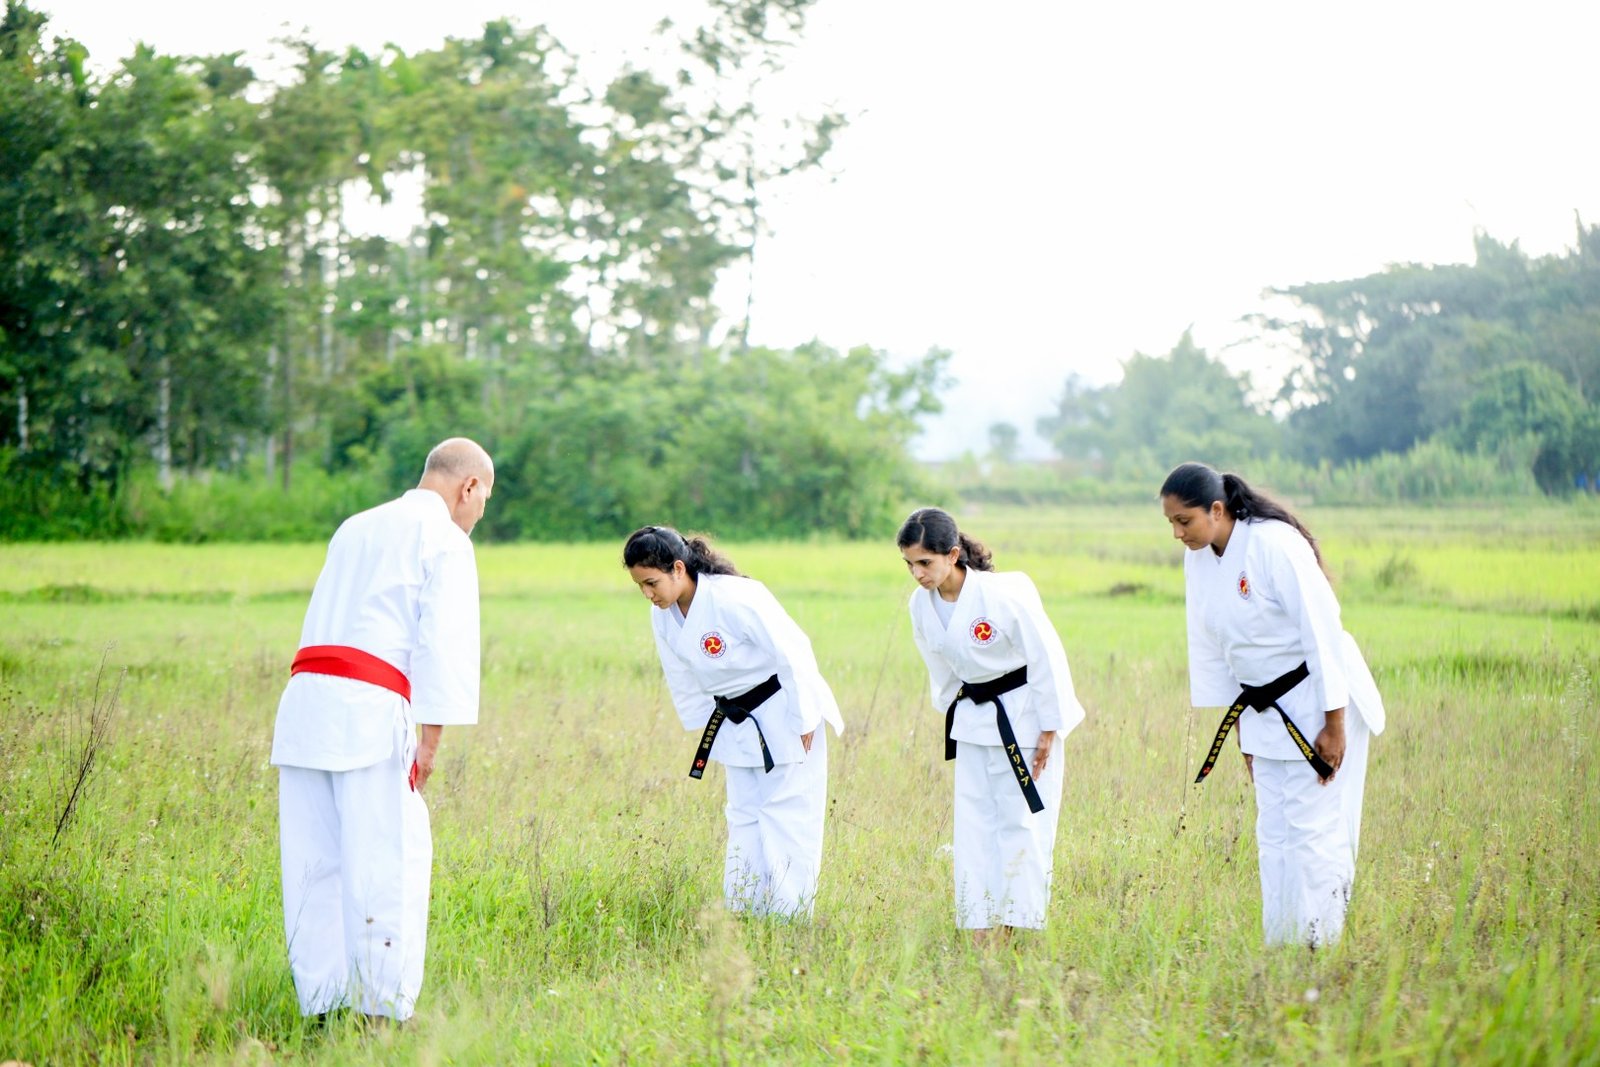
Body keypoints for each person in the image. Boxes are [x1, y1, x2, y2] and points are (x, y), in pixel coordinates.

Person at [270, 437, 493, 1023]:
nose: (478, 515)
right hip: (367, 709)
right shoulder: (444, 538)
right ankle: (379, 1015)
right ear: (468, 487)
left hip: (304, 704)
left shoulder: (355, 526)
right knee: (387, 862)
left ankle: (320, 1008)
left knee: (313, 865)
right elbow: (442, 645)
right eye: (483, 500)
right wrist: (431, 742)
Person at [1160, 461, 1386, 948]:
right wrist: (1240, 729)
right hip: (1262, 708)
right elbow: (1211, 646)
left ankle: (1319, 945)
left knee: (1312, 829)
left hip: (1318, 699)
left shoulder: (1273, 544)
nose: (1178, 534)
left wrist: (1335, 722)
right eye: (1171, 524)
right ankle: (1281, 946)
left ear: (1217, 510)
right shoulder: (1198, 560)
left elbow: (1321, 629)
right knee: (1274, 833)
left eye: (1185, 521)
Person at [624, 526, 844, 918]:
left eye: (652, 583)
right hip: (735, 722)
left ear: (678, 568)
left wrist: (806, 717)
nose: (648, 594)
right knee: (743, 817)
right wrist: (702, 725)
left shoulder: (736, 597)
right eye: (640, 586)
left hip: (785, 713)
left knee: (786, 818)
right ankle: (744, 912)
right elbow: (680, 674)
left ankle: (789, 919)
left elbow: (794, 651)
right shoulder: (663, 615)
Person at [897, 507, 1085, 938]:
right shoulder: (920, 605)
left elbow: (1047, 655)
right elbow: (939, 668)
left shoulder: (1001, 595)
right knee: (974, 825)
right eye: (909, 564)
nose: (917, 573)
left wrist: (1050, 727)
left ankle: (1018, 926)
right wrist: (953, 708)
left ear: (954, 554)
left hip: (1024, 715)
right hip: (973, 718)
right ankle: (978, 924)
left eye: (925, 562)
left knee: (1022, 822)